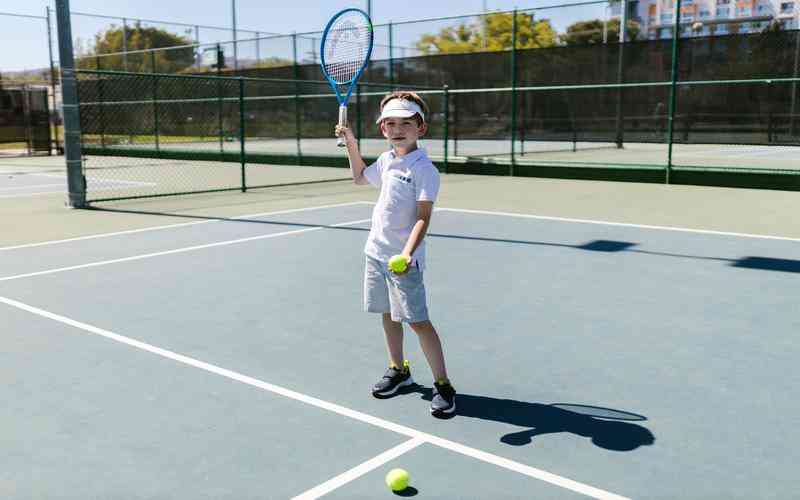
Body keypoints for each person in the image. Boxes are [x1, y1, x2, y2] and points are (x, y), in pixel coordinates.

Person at [334, 91, 456, 417]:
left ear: (421, 128)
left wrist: (406, 254)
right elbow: (360, 178)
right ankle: (399, 370)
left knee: (417, 322)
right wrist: (351, 144)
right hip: (375, 253)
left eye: (406, 123)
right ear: (383, 129)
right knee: (387, 315)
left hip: (404, 261)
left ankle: (443, 384)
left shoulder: (424, 169)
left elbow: (423, 217)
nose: (398, 128)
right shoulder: (388, 160)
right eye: (391, 123)